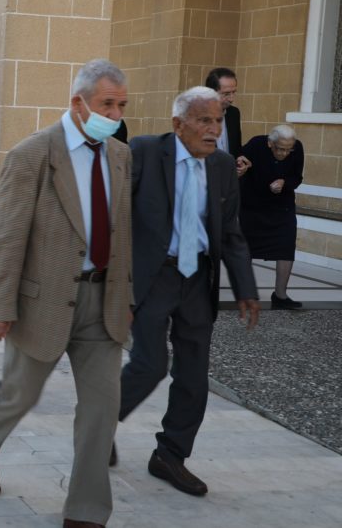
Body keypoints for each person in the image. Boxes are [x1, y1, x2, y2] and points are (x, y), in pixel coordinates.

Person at [0, 59, 132, 528]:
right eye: (107, 104)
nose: (115, 114)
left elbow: (123, 237)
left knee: (102, 410)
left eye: (121, 105)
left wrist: (128, 299)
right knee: (20, 394)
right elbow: (6, 236)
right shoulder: (33, 154)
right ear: (77, 103)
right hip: (42, 302)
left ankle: (86, 511)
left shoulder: (121, 156)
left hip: (103, 303)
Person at [117, 86, 259, 498]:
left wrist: (246, 288)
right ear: (178, 125)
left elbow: (231, 234)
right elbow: (117, 219)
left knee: (194, 376)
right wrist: (120, 288)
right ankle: (97, 426)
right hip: (152, 276)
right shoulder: (143, 152)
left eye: (217, 121)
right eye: (204, 121)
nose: (214, 130)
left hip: (197, 279)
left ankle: (170, 454)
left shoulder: (222, 166)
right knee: (149, 364)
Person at [240, 125, 304, 310]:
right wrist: (243, 166)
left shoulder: (297, 148)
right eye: (280, 149)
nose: (285, 153)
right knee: (245, 251)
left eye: (288, 149)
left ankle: (280, 296)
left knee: (286, 247)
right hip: (252, 206)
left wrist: (285, 182)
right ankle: (245, 295)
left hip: (281, 207)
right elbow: (238, 162)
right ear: (270, 143)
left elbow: (297, 177)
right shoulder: (256, 145)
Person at [205, 68, 251, 177]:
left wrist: (240, 162)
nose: (231, 99)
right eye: (226, 94)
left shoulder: (234, 113)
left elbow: (236, 149)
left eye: (234, 92)